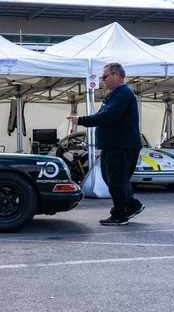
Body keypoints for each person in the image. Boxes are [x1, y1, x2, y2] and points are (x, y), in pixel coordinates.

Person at [67, 62, 145, 226]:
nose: (103, 80)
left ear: (116, 75)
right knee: (114, 178)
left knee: (116, 179)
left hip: (121, 145)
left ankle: (119, 214)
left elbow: (108, 116)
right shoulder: (115, 94)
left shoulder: (123, 94)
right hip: (115, 144)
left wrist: (82, 120)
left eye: (105, 77)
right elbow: (104, 115)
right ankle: (131, 205)